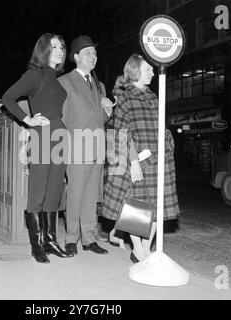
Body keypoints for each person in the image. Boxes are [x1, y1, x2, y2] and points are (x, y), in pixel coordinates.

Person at [102, 54, 179, 263]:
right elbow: (121, 133)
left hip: (158, 160)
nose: (153, 73)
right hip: (137, 161)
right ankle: (137, 248)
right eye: (148, 69)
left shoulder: (154, 97)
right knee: (137, 208)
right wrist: (133, 162)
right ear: (135, 71)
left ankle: (145, 248)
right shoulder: (126, 98)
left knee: (158, 208)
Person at [2, 33, 72, 263]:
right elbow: (8, 98)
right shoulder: (35, 74)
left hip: (60, 136)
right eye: (54, 47)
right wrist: (27, 119)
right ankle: (37, 245)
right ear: (43, 50)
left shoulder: (56, 78)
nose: (60, 51)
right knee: (37, 193)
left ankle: (51, 241)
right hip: (42, 135)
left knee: (54, 191)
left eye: (61, 47)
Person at [58, 35, 114, 256]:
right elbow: (60, 118)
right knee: (75, 195)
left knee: (92, 196)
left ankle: (89, 238)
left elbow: (101, 118)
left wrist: (108, 110)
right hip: (76, 148)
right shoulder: (64, 82)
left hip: (97, 148)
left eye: (95, 53)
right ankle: (71, 238)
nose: (94, 57)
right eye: (88, 53)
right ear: (76, 57)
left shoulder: (99, 85)